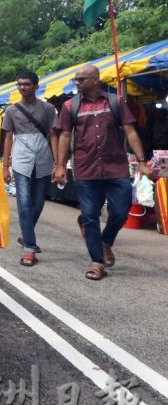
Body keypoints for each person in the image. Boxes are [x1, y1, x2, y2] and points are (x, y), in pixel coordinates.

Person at [52, 64, 151, 280]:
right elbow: (65, 136)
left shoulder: (116, 102)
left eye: (81, 79)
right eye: (76, 79)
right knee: (90, 216)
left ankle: (105, 242)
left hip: (116, 167)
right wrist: (60, 165)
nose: (77, 83)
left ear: (96, 80)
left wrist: (142, 161)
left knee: (121, 213)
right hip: (85, 169)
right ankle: (97, 261)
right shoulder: (69, 106)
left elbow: (130, 132)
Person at [1, 71, 58, 267]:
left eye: (26, 84)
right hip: (21, 160)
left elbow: (54, 135)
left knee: (38, 204)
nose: (22, 87)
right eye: (19, 84)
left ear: (36, 86)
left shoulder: (48, 108)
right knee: (24, 204)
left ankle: (26, 234)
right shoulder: (11, 110)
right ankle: (30, 248)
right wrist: (5, 166)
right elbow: (8, 138)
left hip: (43, 160)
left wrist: (59, 163)